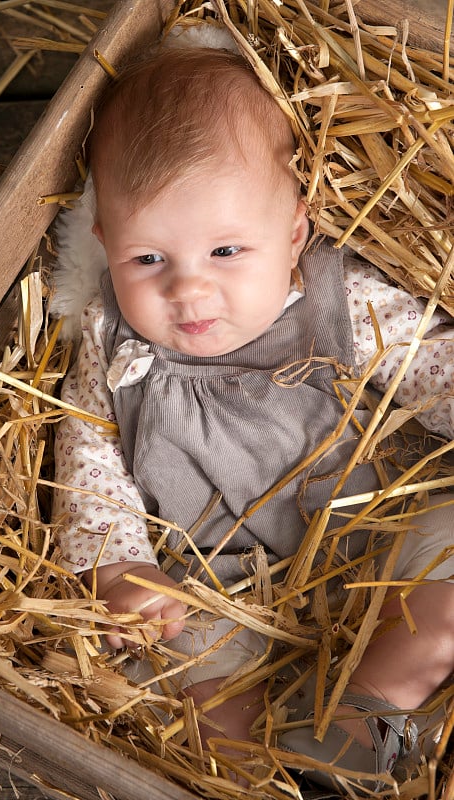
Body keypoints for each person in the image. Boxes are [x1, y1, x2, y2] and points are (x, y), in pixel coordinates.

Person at [51, 43, 454, 795]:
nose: (189, 289)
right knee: (197, 682)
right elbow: (88, 458)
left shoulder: (338, 302)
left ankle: (364, 722)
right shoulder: (114, 348)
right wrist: (119, 567)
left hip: (379, 546)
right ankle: (260, 783)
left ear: (294, 235)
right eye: (147, 259)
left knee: (446, 572)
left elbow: (430, 364)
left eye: (227, 250)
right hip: (218, 585)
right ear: (105, 246)